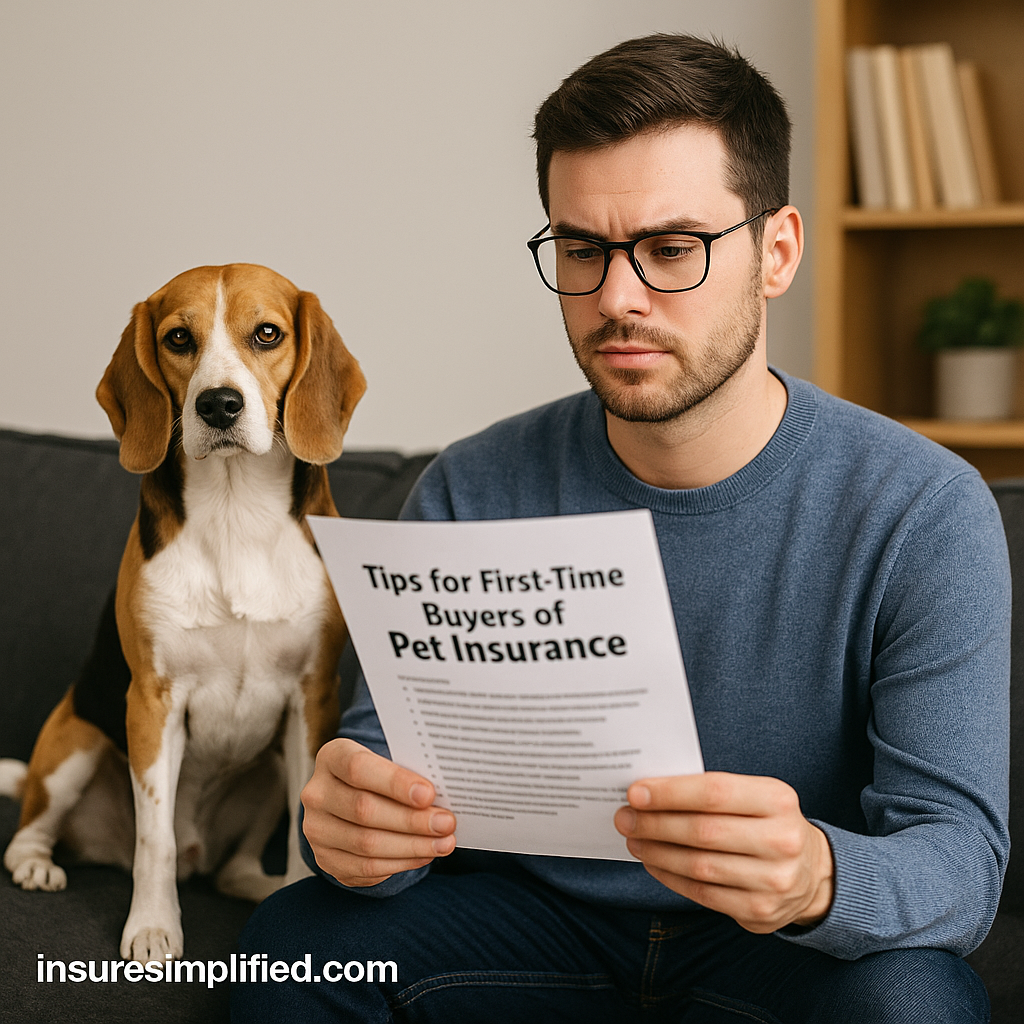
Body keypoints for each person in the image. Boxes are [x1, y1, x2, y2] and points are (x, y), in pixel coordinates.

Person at [233, 34, 1009, 1023]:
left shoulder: (921, 510)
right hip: (527, 923)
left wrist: (815, 874)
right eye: (581, 250)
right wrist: (356, 834)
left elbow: (955, 863)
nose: (617, 299)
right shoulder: (469, 487)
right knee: (290, 949)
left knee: (915, 1001)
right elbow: (380, 779)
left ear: (775, 253)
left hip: (776, 945)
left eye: (672, 249)